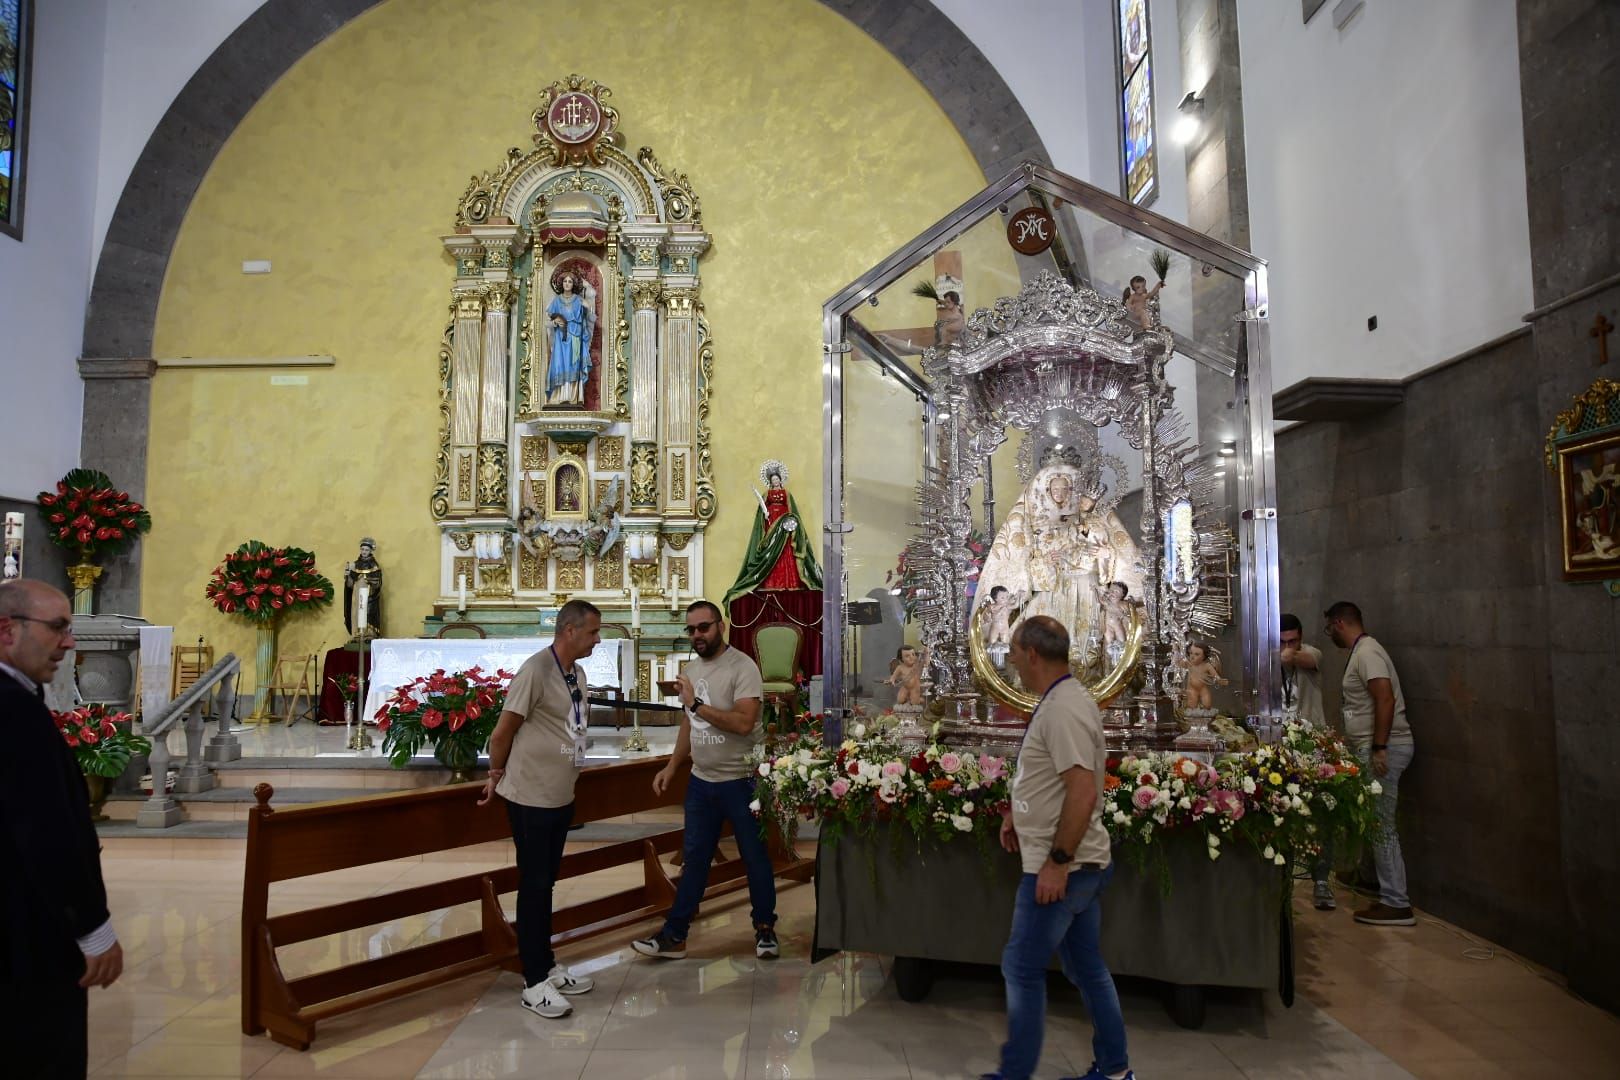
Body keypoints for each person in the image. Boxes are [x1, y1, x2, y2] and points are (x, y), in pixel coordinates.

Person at [982, 616, 1131, 1080]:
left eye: (1012, 651)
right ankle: (1114, 1069)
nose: (1009, 660)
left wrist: (1057, 862)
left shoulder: (1063, 707)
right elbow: (1052, 781)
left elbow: (1082, 791)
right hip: (1077, 860)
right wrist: (1019, 816)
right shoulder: (1062, 699)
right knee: (1086, 967)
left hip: (1067, 865)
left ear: (1031, 654)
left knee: (1022, 966)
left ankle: (1014, 1075)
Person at [0, 579, 122, 1077]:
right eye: (57, 628)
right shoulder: (14, 711)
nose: (69, 642)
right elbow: (46, 832)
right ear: (7, 630)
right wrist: (93, 927)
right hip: (25, 935)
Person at [479, 598, 602, 1018]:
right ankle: (533, 982)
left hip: (559, 794)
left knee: (546, 883)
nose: (597, 640)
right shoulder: (536, 670)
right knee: (533, 886)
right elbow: (503, 731)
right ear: (569, 631)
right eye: (592, 633)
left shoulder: (578, 673)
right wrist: (495, 775)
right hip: (529, 796)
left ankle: (546, 963)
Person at [634, 600, 778, 961]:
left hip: (742, 779)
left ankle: (765, 929)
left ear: (721, 626)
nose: (697, 635)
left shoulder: (742, 667)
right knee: (695, 859)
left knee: (754, 858)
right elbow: (689, 722)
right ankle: (675, 935)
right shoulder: (692, 668)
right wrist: (672, 766)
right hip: (701, 781)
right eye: (691, 630)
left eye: (704, 627)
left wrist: (696, 704)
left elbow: (744, 723)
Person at [1324, 601, 1416, 927]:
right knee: (1370, 817)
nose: (1329, 635)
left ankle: (1396, 902)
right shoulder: (1362, 652)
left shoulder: (1368, 653)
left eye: (1329, 629)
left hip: (1384, 749)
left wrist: (1379, 747)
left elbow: (1385, 698)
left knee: (1380, 825)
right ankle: (1369, 878)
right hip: (1371, 746)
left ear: (1339, 623)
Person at [1281, 613, 1332, 909]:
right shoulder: (1269, 660)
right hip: (1280, 746)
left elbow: (1305, 660)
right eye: (1284, 641)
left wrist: (1288, 655)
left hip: (1311, 745)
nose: (1290, 646)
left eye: (1294, 641)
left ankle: (1322, 881)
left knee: (1319, 815)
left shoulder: (1312, 653)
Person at [545, 270, 596, 407]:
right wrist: (555, 322)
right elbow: (548, 319)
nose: (567, 284)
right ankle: (558, 397)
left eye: (570, 281)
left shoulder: (579, 300)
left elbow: (590, 314)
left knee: (573, 363)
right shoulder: (556, 300)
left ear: (573, 284)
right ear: (561, 283)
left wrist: (586, 303)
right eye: (565, 281)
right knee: (559, 364)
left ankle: (574, 397)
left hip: (575, 336)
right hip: (561, 337)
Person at [1181, 641, 1227, 710]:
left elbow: (1215, 676)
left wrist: (1219, 680)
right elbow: (1178, 663)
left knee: (1207, 705)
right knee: (1191, 706)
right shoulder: (1189, 664)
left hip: (1203, 689)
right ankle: (1193, 717)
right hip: (1192, 688)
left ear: (1204, 656)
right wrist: (1176, 652)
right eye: (1191, 653)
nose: (1192, 657)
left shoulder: (1207, 666)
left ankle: (1205, 716)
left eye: (1197, 654)